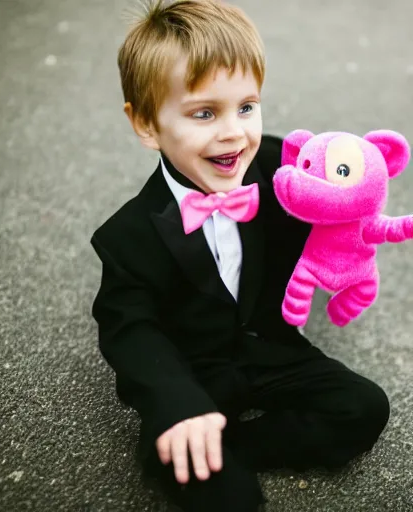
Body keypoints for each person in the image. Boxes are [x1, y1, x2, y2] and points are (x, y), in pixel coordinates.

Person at [90, 1, 390, 510]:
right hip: (194, 371)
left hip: (269, 349)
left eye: (246, 107)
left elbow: (338, 196)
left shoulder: (279, 169)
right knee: (228, 496)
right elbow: (128, 328)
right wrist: (177, 403)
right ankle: (200, 451)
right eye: (204, 113)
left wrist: (356, 215)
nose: (233, 132)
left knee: (364, 407)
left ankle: (230, 449)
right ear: (145, 123)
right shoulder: (128, 235)